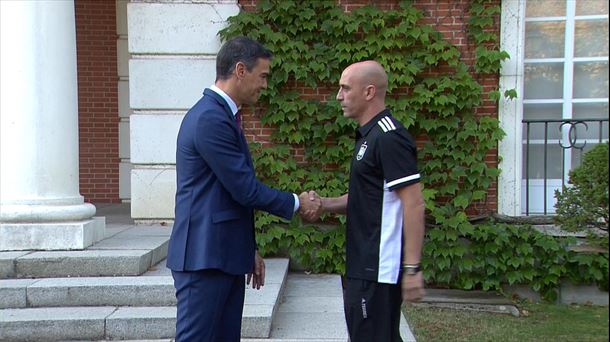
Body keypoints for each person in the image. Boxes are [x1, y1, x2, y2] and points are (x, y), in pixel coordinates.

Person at [166, 36, 321, 342]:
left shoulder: (221, 115)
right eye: (262, 76)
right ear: (240, 70)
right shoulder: (210, 118)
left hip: (220, 254)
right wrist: (296, 202)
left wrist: (246, 249)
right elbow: (244, 189)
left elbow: (224, 197)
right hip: (204, 257)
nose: (265, 85)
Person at [315, 60, 426, 342]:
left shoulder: (389, 137)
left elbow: (413, 203)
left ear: (369, 92)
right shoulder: (369, 136)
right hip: (362, 265)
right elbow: (370, 196)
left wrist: (412, 268)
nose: (339, 96)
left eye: (345, 88)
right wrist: (325, 204)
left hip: (378, 270)